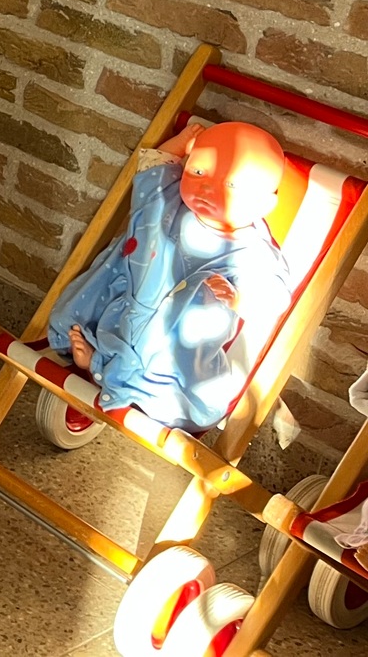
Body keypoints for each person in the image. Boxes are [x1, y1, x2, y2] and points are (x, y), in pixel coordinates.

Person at [48, 121, 292, 434]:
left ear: (264, 205)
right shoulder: (171, 205)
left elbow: (273, 299)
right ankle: (101, 364)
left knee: (173, 378)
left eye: (231, 184)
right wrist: (178, 143)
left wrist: (238, 299)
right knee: (114, 324)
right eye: (198, 171)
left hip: (178, 338)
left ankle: (103, 370)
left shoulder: (251, 250)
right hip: (132, 306)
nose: (206, 188)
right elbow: (155, 172)